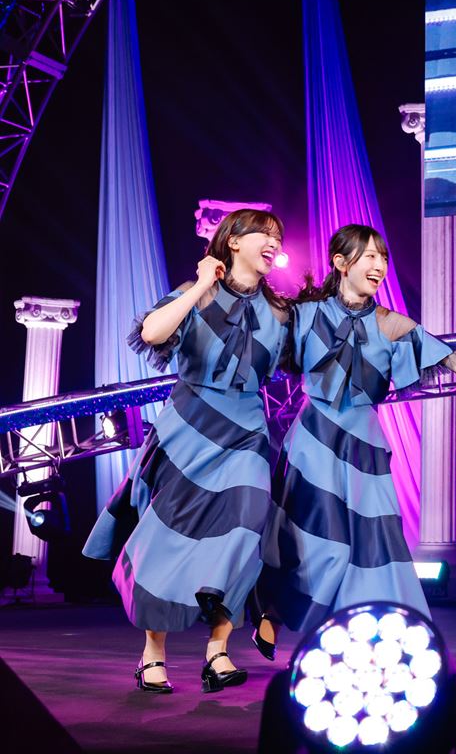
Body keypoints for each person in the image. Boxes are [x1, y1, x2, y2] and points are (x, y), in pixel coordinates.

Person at [249, 224, 456, 655]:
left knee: (375, 545)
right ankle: (274, 612)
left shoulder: (390, 325)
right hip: (313, 441)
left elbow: (455, 360)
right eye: (369, 256)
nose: (379, 265)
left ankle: (383, 636)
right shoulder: (306, 314)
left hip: (364, 445)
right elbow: (253, 324)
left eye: (383, 258)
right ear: (340, 262)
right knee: (313, 539)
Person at [84, 209, 292, 694]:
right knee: (168, 539)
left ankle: (217, 650)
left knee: (246, 528)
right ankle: (152, 654)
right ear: (233, 241)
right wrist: (201, 284)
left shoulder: (281, 312)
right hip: (189, 428)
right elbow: (152, 334)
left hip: (247, 431)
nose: (273, 243)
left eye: (277, 237)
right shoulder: (197, 293)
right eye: (263, 234)